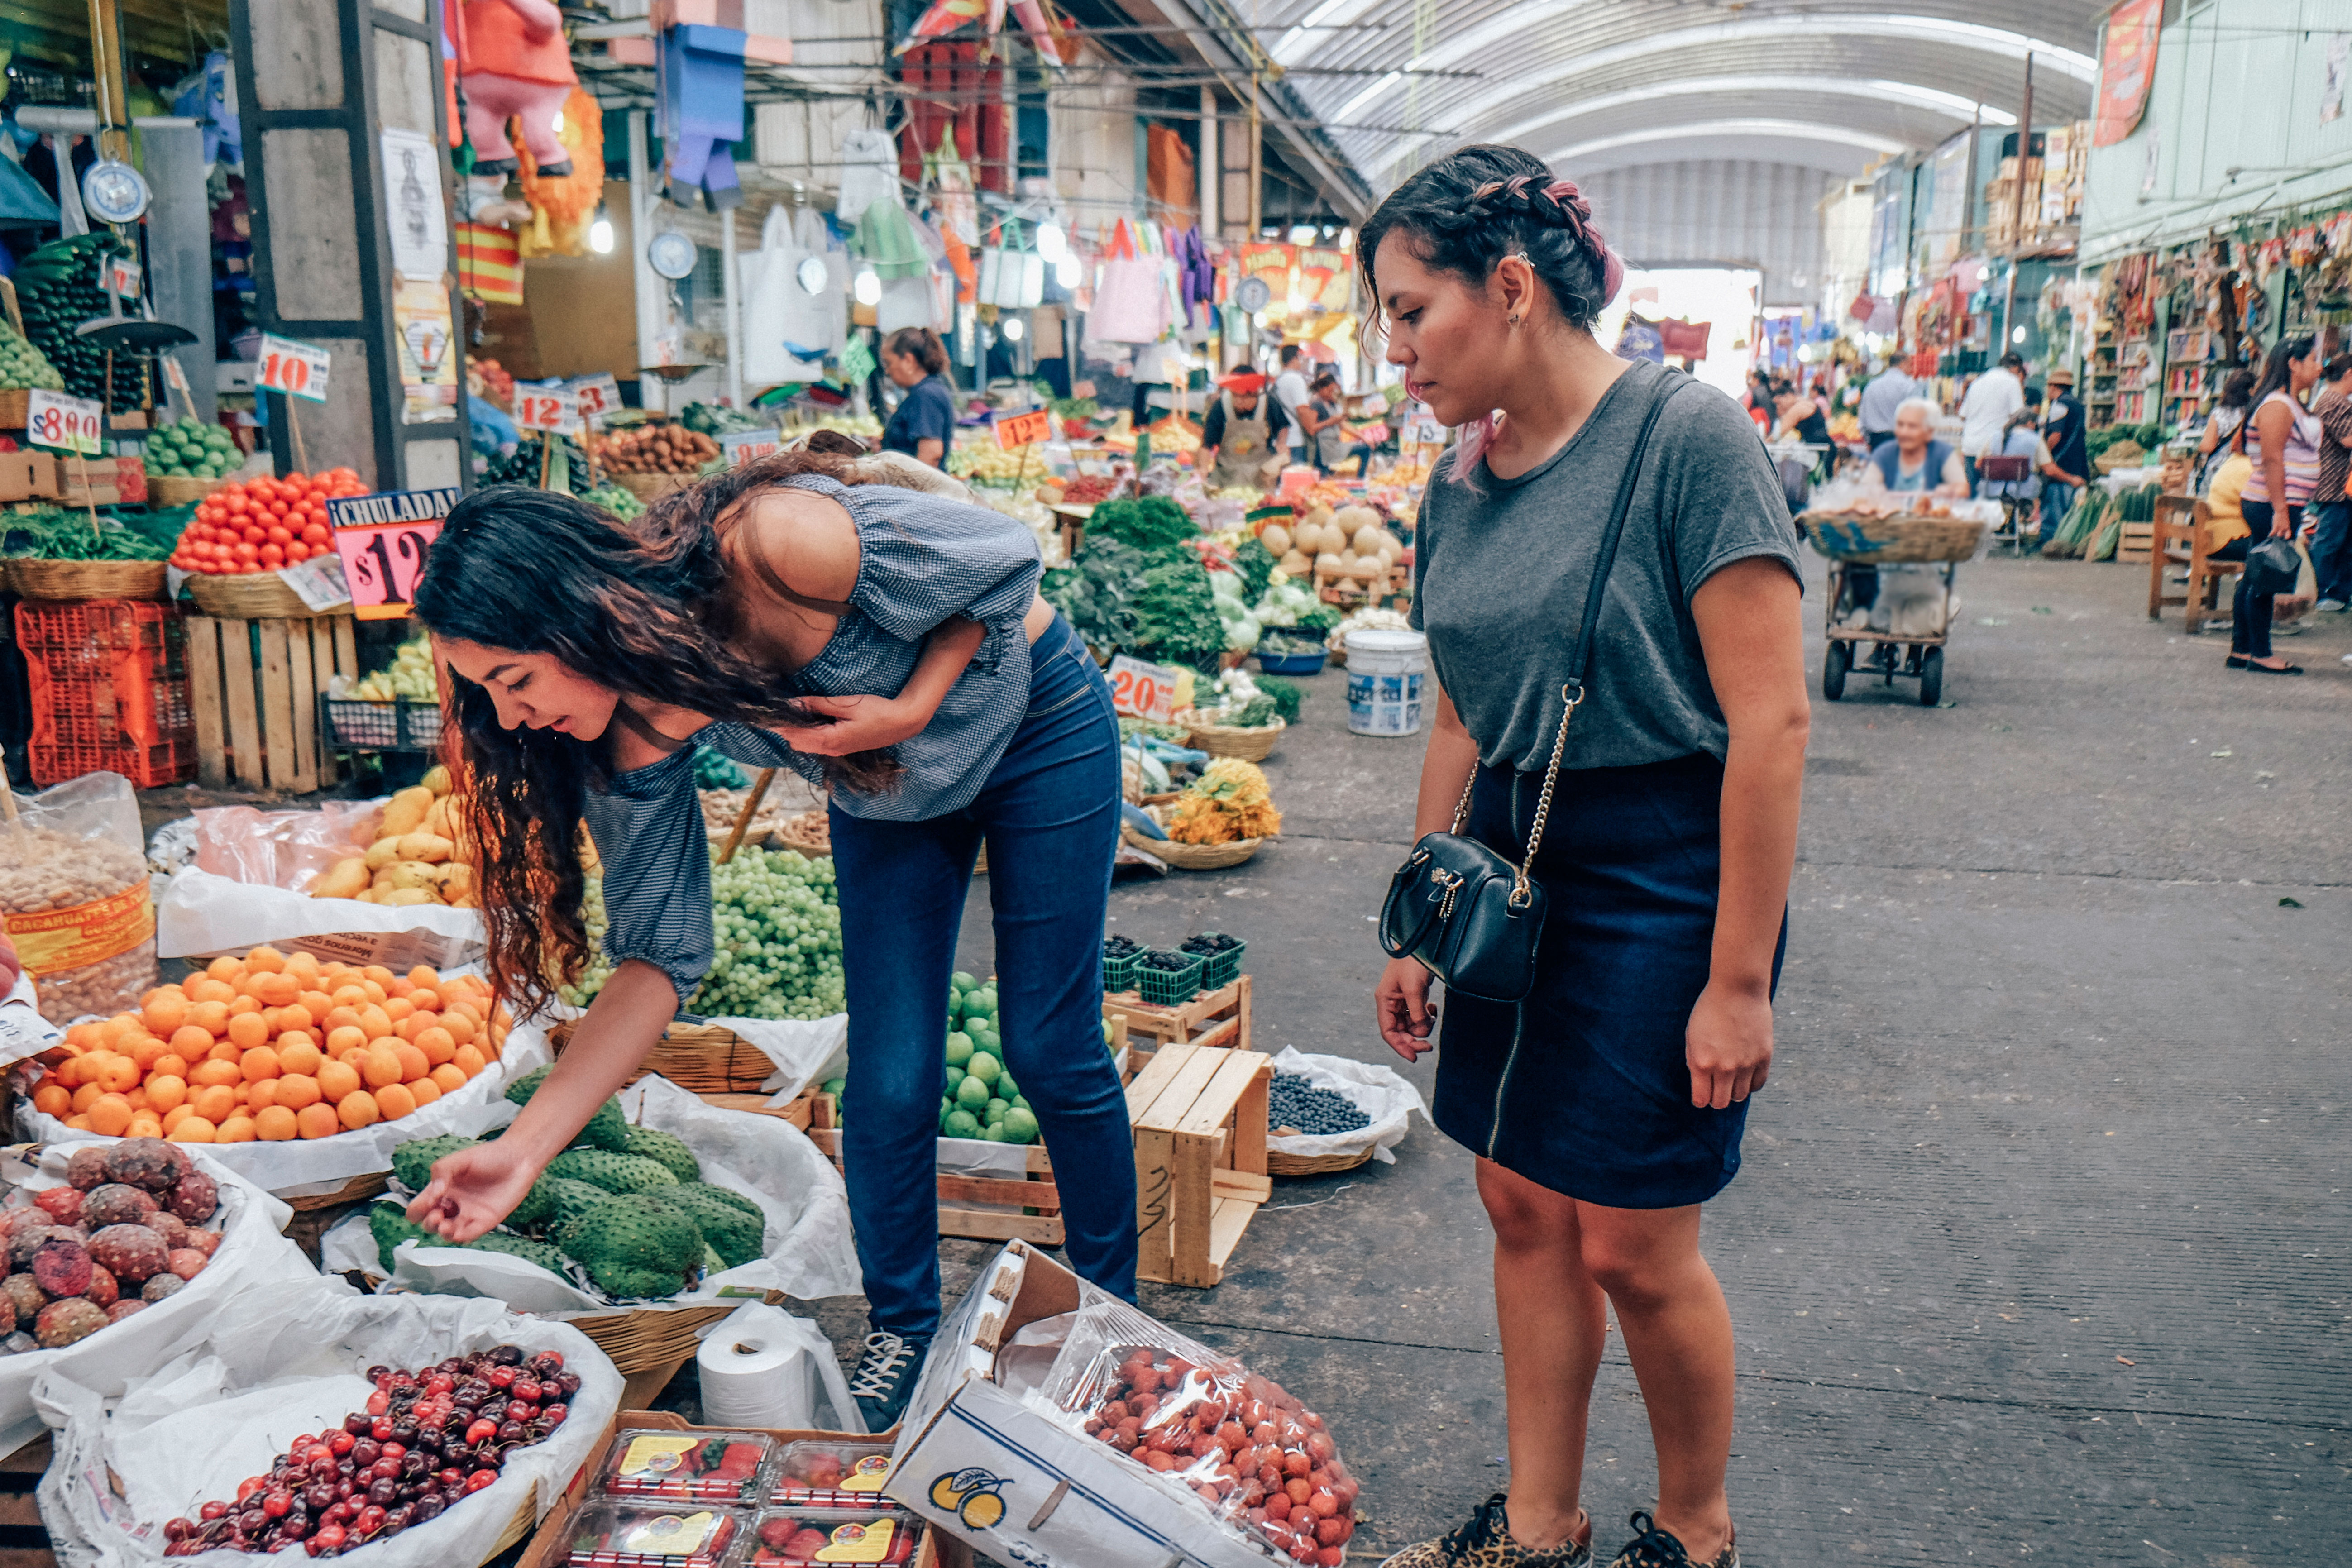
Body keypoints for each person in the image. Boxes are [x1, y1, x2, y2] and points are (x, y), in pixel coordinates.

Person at [400, 462, 1138, 1431]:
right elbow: (659, 957)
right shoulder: (628, 736)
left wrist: (913, 703)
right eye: (482, 691)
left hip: (1039, 726)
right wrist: (522, 1150)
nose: (506, 716)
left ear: (575, 619)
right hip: (885, 787)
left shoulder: (773, 550)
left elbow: (1005, 563)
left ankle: (1112, 1323)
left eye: (513, 678)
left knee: (1048, 1041)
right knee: (888, 1071)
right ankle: (905, 1328)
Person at [1362, 145, 1807, 1568]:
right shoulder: (1458, 479)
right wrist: (1421, 907)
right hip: (1509, 853)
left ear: (1509, 287)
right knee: (1517, 1195)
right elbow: (1456, 705)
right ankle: (1540, 1514)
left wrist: (1736, 978)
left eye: (1410, 309)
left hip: (1664, 864)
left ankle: (1694, 1526)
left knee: (1632, 1238)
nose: (1395, 348)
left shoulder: (1689, 441)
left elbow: (1771, 722)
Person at [2227, 334, 2323, 674]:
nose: (2319, 366)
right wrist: (2281, 510)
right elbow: (2272, 459)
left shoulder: (2289, 403)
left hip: (2278, 503)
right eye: (2313, 360)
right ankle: (2261, 653)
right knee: (2267, 577)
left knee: (2257, 574)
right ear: (2293, 365)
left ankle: (2243, 649)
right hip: (2271, 504)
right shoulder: (2278, 406)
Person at [2308, 353, 2352, 612]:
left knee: (2343, 542)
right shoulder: (2333, 402)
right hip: (2335, 484)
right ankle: (2321, 590)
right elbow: (2348, 439)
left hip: (2339, 484)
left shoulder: (2332, 399)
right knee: (2330, 541)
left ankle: (2338, 593)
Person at [877, 327, 956, 469]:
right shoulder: (928, 391)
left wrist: (912, 491)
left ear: (908, 361)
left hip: (921, 491)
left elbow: (931, 454)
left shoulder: (926, 396)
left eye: (889, 363)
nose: (888, 371)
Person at [1198, 371, 1289, 490]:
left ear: (1255, 394)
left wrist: (1281, 443)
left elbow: (1283, 426)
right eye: (1235, 396)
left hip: (1261, 478)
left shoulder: (1269, 404)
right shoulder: (1220, 406)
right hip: (1227, 478)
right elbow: (1207, 444)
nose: (1239, 402)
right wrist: (1203, 469)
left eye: (1244, 397)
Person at [2036, 367, 2090, 549]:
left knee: (2055, 501)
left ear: (2053, 387)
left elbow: (2055, 436)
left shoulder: (2059, 405)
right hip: (2077, 460)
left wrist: (2045, 455)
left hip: (2061, 461)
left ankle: (2052, 541)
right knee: (2069, 503)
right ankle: (2066, 539)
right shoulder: (2077, 404)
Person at [1959, 351, 2025, 491]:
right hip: (1994, 449)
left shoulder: (1978, 382)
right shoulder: (2012, 381)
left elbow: (1963, 415)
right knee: (1994, 498)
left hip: (1971, 446)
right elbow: (2019, 415)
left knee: (1974, 495)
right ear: (2015, 369)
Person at [2197, 369, 2256, 494]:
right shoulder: (2254, 414)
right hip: (2243, 471)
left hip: (2218, 471)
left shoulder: (2219, 413)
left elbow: (2208, 446)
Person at [1298, 371, 1369, 476]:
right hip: (1323, 449)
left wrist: (1363, 437)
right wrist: (1329, 422)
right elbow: (1311, 429)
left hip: (1335, 445)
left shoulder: (1331, 404)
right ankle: (1359, 479)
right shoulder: (1316, 404)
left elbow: (1343, 425)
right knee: (1322, 476)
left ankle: (1360, 479)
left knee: (1365, 449)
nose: (1332, 393)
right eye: (1330, 390)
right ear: (1323, 389)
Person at [1856, 357, 1915, 452]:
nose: (1912, 369)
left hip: (1877, 441)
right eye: (1911, 365)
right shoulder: (1908, 386)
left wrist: (1869, 441)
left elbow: (1862, 419)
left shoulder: (1872, 386)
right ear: (1904, 364)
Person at [1272, 344, 1312, 462]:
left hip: (1280, 442)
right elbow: (1302, 410)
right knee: (1298, 477)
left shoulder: (1279, 381)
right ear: (1295, 358)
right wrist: (1312, 430)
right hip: (1295, 441)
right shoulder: (1295, 379)